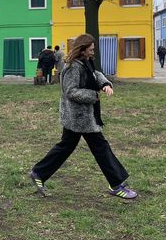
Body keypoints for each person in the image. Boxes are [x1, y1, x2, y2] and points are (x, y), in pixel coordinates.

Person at [29, 34, 137, 199]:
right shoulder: (73, 67)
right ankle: (116, 184)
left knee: (66, 147)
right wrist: (93, 95)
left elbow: (95, 74)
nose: (93, 52)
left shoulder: (85, 62)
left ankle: (39, 172)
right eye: (91, 49)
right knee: (101, 147)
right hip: (79, 118)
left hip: (80, 117)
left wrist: (105, 84)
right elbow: (70, 91)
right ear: (83, 49)